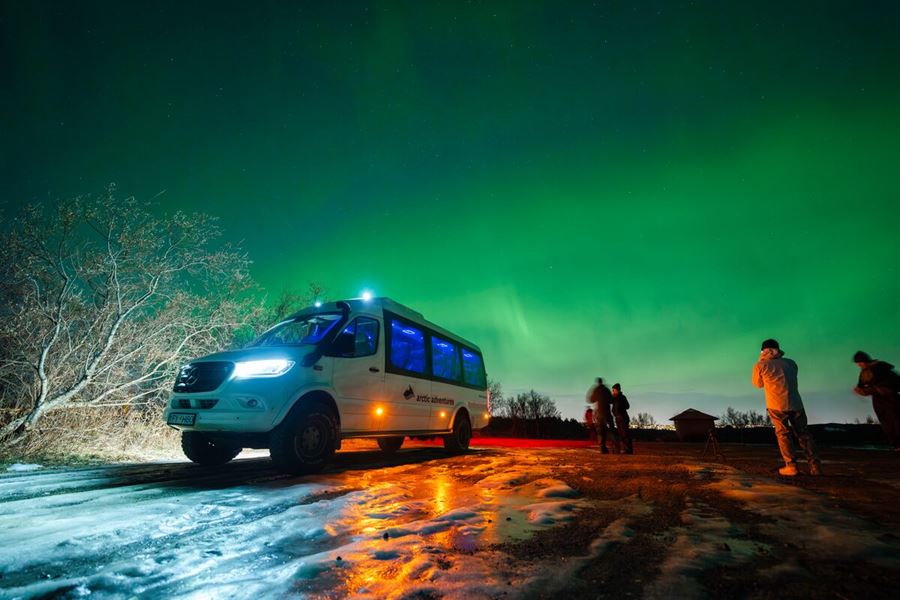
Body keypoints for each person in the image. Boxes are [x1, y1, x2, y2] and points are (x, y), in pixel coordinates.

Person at [751, 339, 822, 476]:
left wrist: (762, 362)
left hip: (776, 405)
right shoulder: (791, 363)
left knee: (783, 435)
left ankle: (791, 466)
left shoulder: (761, 365)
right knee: (804, 435)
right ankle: (815, 466)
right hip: (796, 403)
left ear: (764, 351)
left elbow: (758, 384)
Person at [852, 350, 900, 450]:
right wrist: (859, 390)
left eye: (860, 363)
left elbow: (890, 383)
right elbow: (861, 386)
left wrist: (871, 390)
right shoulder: (864, 373)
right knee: (885, 422)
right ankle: (896, 445)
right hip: (878, 400)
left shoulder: (880, 367)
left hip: (890, 398)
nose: (859, 365)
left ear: (864, 361)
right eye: (858, 363)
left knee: (896, 419)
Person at [588, 377, 619, 454]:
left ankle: (602, 448)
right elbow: (611, 400)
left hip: (599, 412)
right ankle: (615, 446)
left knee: (601, 431)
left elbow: (590, 400)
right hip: (607, 412)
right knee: (611, 429)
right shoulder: (606, 390)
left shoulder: (596, 390)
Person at [611, 383, 633, 454]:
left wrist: (620, 409)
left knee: (625, 434)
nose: (612, 392)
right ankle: (626, 449)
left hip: (623, 417)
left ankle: (628, 450)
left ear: (617, 390)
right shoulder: (614, 398)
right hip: (618, 418)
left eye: (613, 390)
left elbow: (627, 406)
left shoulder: (622, 397)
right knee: (621, 435)